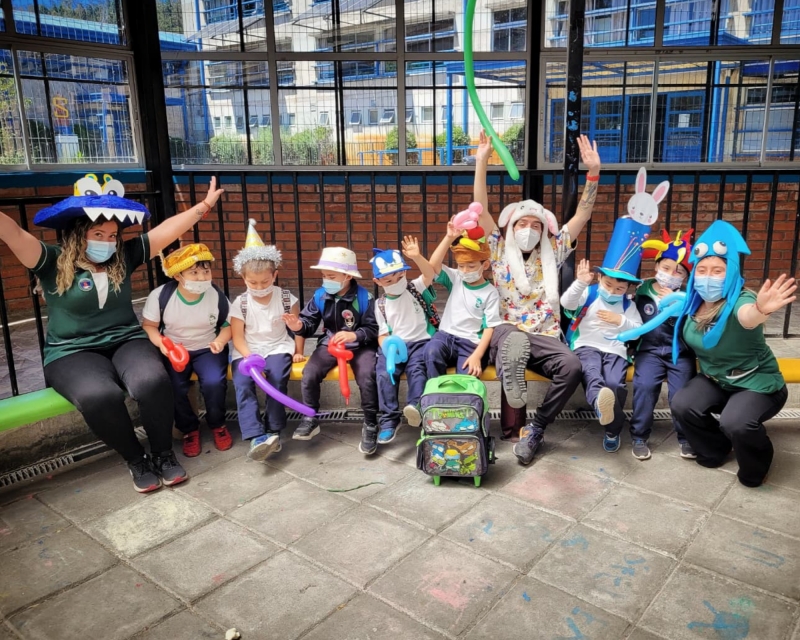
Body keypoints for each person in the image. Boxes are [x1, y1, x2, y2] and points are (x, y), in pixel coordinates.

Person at [0, 173, 224, 492]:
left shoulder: (123, 256)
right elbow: (12, 232)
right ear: (80, 233)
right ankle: (136, 459)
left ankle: (163, 455)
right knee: (98, 396)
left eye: (112, 235)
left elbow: (165, 231)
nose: (106, 241)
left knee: (153, 381)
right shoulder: (50, 261)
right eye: (99, 233)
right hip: (71, 352)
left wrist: (203, 206)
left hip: (125, 341)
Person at [472, 131, 601, 461]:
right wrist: (482, 162)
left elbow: (582, 215)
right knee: (513, 342)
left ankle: (536, 427)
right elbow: (479, 209)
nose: (528, 229)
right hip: (506, 329)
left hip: (544, 334)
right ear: (511, 227)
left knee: (571, 366)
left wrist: (594, 174)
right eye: (521, 223)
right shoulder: (498, 249)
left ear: (544, 230)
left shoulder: (553, 250)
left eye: (535, 224)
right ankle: (515, 422)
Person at [666, 221, 795, 488]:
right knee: (682, 403)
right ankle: (716, 449)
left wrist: (762, 310)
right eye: (702, 270)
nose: (708, 276)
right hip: (717, 380)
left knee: (736, 422)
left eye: (717, 270)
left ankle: (756, 467)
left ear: (732, 272)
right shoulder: (693, 302)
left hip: (757, 383)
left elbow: (748, 317)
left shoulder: (741, 301)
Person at [283, 247, 380, 454]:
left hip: (361, 346)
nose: (326, 280)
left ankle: (371, 422)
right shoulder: (320, 295)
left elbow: (374, 329)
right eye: (324, 276)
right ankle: (310, 417)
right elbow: (308, 323)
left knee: (367, 375)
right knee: (310, 372)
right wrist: (298, 327)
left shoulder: (365, 298)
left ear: (347, 276)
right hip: (330, 343)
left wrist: (356, 335)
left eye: (331, 276)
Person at [142, 243, 233, 458]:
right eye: (193, 272)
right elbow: (149, 326)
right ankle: (189, 429)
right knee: (174, 387)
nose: (202, 278)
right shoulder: (160, 296)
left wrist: (220, 342)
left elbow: (227, 326)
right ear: (177, 276)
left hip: (208, 347)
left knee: (213, 383)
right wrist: (162, 343)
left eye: (205, 271)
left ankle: (218, 424)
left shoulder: (216, 295)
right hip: (174, 349)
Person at [229, 220, 305, 461]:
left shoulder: (286, 298)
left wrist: (298, 350)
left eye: (265, 281)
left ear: (275, 274)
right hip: (247, 351)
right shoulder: (240, 303)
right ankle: (255, 435)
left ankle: (274, 430)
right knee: (243, 385)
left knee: (276, 379)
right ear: (243, 278)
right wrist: (249, 356)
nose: (259, 287)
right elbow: (237, 336)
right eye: (253, 283)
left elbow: (298, 328)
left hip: (277, 346)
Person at [629, 229, 696, 461]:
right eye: (666, 268)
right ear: (656, 267)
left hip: (681, 352)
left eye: (678, 271)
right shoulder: (642, 289)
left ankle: (686, 438)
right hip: (649, 351)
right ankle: (639, 436)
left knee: (682, 395)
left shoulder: (689, 296)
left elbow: (693, 326)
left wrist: (677, 309)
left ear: (685, 276)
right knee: (645, 387)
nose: (671, 274)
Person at [561, 259, 642, 452]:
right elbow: (567, 303)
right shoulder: (589, 293)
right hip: (586, 345)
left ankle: (612, 430)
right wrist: (580, 283)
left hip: (615, 349)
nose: (612, 291)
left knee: (615, 384)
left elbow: (638, 331)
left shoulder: (628, 306)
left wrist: (620, 320)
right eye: (608, 285)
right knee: (591, 371)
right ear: (599, 277)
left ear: (628, 288)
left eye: (620, 288)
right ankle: (598, 402)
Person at [372, 238, 439, 444]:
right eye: (388, 281)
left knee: (417, 370)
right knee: (384, 373)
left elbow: (429, 274)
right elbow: (382, 334)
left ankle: (415, 407)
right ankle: (389, 419)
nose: (395, 283)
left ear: (404, 274)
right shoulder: (380, 304)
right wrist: (388, 350)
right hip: (394, 346)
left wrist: (416, 256)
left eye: (399, 277)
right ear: (378, 282)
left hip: (420, 342)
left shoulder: (415, 288)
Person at [423, 221, 502, 379]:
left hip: (471, 343)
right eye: (461, 266)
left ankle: (463, 403)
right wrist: (448, 237)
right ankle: (435, 398)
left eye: (471, 266)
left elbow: (489, 327)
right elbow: (433, 264)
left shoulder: (490, 293)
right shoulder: (455, 278)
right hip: (445, 337)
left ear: (485, 264)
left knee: (467, 376)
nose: (465, 271)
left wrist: (477, 355)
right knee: (431, 352)